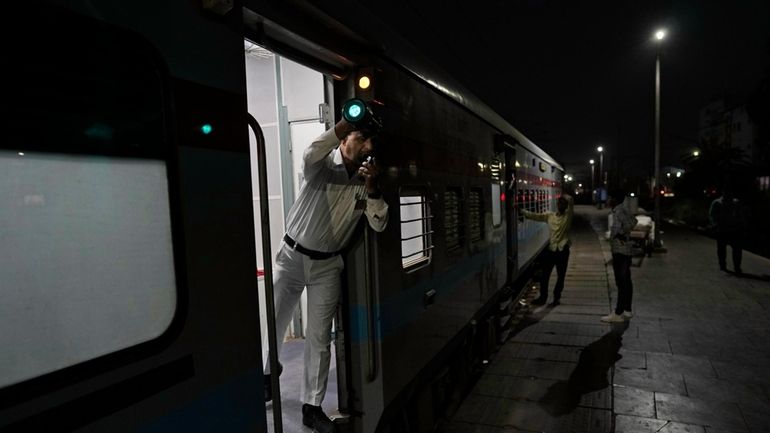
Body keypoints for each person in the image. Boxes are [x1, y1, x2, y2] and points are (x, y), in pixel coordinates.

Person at [262, 101, 388, 433]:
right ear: (345, 138)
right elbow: (310, 153)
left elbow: (378, 222)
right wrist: (344, 124)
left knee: (319, 337)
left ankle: (311, 406)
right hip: (290, 257)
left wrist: (373, 189)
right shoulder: (321, 169)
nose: (367, 147)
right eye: (361, 138)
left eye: (369, 142)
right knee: (274, 317)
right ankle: (266, 371)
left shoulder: (362, 185)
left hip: (327, 266)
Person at [521, 193, 574, 306]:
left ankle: (556, 297)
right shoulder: (550, 216)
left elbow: (571, 202)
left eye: (564, 204)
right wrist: (522, 211)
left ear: (566, 206)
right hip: (551, 250)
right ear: (557, 204)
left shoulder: (567, 217)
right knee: (545, 276)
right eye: (560, 203)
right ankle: (543, 297)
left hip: (562, 251)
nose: (561, 205)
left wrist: (566, 197)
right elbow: (536, 216)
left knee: (561, 276)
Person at [601, 189, 637, 323]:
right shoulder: (620, 209)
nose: (608, 199)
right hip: (622, 250)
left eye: (610, 197)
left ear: (615, 199)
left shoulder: (619, 211)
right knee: (626, 281)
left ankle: (618, 313)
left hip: (621, 251)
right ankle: (627, 310)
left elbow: (632, 223)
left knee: (621, 282)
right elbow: (633, 221)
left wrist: (620, 233)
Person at [708, 189, 747, 274]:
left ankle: (736, 266)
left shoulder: (735, 203)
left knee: (736, 249)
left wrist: (742, 225)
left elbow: (740, 215)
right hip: (722, 229)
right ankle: (723, 265)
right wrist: (714, 224)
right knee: (722, 249)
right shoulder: (717, 203)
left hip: (734, 230)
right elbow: (712, 215)